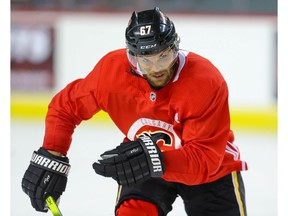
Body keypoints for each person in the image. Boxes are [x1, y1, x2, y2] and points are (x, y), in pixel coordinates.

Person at [21, 7, 248, 216]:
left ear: (175, 48)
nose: (156, 68)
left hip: (210, 172)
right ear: (131, 56)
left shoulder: (205, 81)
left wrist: (155, 160)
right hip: (144, 163)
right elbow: (66, 106)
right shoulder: (112, 72)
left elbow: (205, 160)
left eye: (163, 56)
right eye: (145, 60)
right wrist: (53, 153)